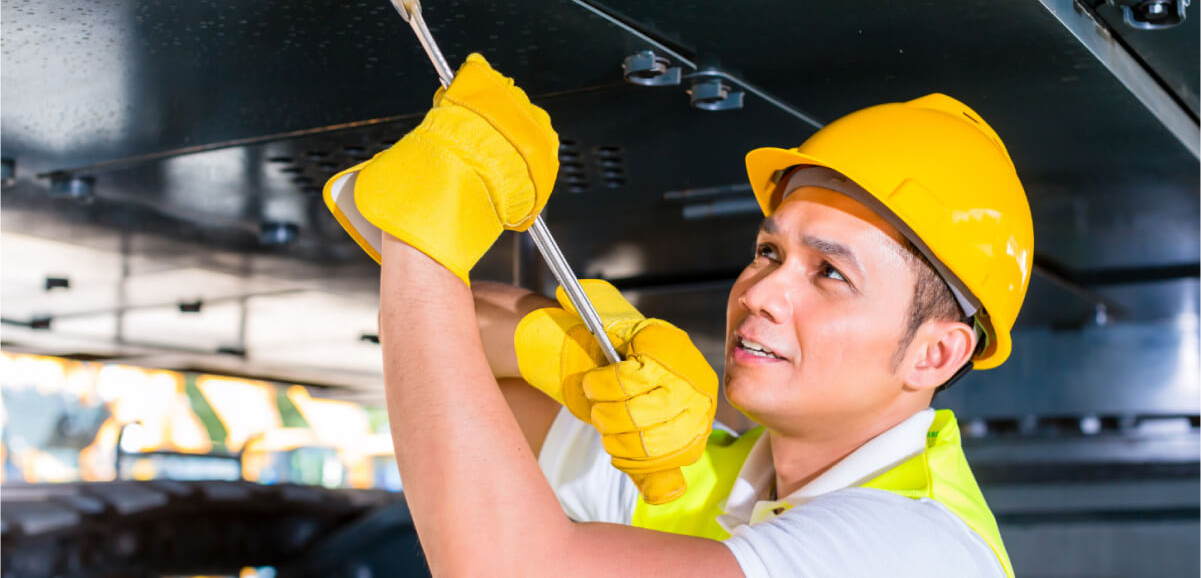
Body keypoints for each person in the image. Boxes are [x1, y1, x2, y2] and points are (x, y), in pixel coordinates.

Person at [323, 53, 1033, 576]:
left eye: (829, 272)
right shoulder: (714, 479)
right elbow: (460, 374)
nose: (759, 292)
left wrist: (419, 236)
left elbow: (505, 564)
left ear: (934, 353)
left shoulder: (913, 546)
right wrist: (570, 353)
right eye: (766, 250)